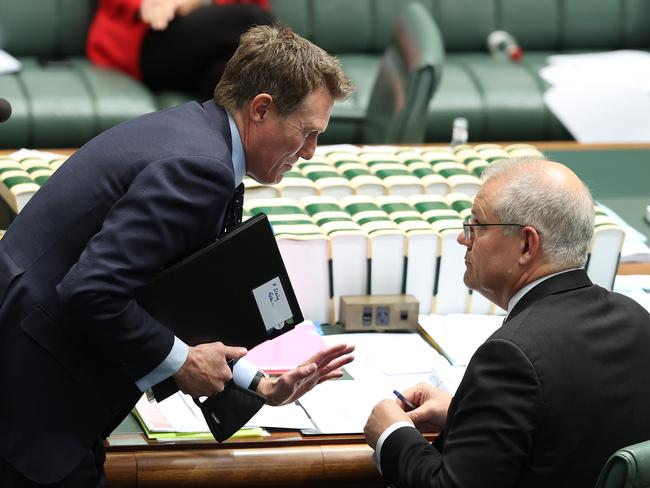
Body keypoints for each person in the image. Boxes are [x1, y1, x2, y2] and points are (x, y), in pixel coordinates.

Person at [0, 23, 355, 486]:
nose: (309, 152)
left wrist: (257, 382)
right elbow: (92, 290)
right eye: (306, 133)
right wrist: (183, 362)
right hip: (35, 406)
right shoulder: (200, 169)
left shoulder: (198, 133)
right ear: (262, 109)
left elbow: (168, 293)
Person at [364, 158, 650, 488]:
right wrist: (464, 412)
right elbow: (573, 427)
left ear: (527, 245)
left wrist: (392, 434)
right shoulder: (637, 320)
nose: (463, 238)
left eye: (476, 224)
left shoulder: (511, 355)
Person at [86, 0, 274, 100]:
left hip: (212, 43)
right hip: (151, 34)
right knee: (253, 21)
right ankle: (298, 93)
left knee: (228, 76)